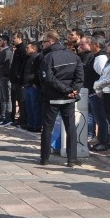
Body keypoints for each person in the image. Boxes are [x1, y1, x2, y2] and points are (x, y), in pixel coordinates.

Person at [38, 30, 84, 167]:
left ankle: (45, 158)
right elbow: (80, 77)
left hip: (53, 97)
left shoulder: (48, 57)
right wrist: (72, 91)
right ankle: (72, 159)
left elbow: (47, 78)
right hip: (68, 97)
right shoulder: (73, 56)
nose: (42, 45)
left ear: (51, 41)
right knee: (71, 128)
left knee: (47, 128)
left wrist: (67, 90)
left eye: (44, 42)